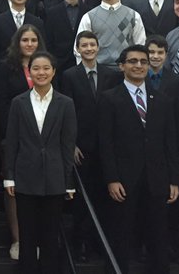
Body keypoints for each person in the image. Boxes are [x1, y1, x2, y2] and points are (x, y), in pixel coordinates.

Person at [98, 45, 179, 274]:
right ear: (122, 66)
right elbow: (106, 143)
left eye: (143, 61)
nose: (139, 66)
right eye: (133, 61)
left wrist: (174, 179)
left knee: (158, 233)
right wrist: (112, 178)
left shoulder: (162, 99)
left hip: (157, 178)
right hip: (124, 179)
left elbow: (170, 143)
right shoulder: (109, 98)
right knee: (121, 232)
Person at [4, 51, 77, 274]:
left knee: (50, 235)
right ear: (30, 72)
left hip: (54, 178)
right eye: (36, 68)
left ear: (54, 72)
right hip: (25, 177)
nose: (41, 72)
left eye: (46, 68)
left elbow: (67, 146)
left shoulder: (66, 103)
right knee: (27, 235)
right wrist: (9, 176)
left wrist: (69, 181)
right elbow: (12, 141)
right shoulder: (19, 102)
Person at [60, 31, 121, 262]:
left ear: (98, 47)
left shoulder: (111, 74)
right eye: (83, 45)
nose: (88, 48)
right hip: (81, 147)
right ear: (78, 49)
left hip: (106, 146)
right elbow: (67, 111)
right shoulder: (69, 75)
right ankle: (80, 242)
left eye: (92, 44)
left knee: (104, 197)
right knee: (83, 201)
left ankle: (99, 243)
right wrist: (72, 144)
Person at [0, 24, 46, 260]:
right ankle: (18, 239)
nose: (29, 44)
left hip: (44, 138)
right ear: (18, 42)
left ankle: (37, 238)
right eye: (25, 40)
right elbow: (2, 102)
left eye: (34, 40)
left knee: (39, 188)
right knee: (13, 189)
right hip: (14, 137)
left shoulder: (46, 66)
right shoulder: (6, 68)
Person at [75, 0, 146, 67]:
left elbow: (141, 46)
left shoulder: (134, 15)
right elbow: (79, 48)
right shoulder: (89, 17)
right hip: (100, 71)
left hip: (127, 70)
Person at [45, 0, 87, 74]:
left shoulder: (88, 11)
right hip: (59, 65)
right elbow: (48, 41)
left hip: (83, 62)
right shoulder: (52, 13)